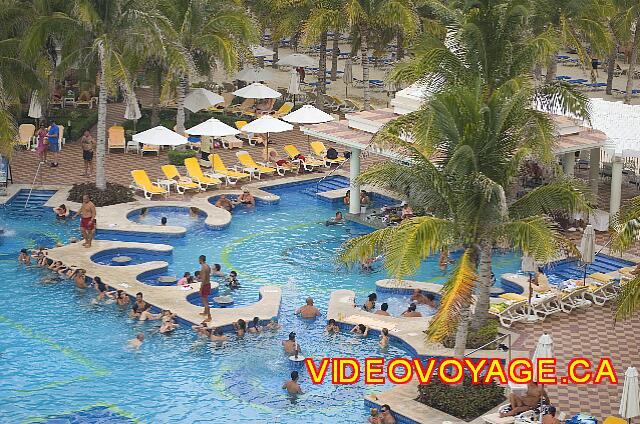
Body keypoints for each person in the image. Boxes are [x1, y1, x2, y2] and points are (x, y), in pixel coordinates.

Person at [198, 255, 212, 322]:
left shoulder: (203, 268)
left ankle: (209, 317)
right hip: (208, 284)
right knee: (205, 299)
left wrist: (201, 288)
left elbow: (203, 279)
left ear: (200, 260)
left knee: (205, 302)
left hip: (205, 285)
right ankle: (205, 312)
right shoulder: (208, 266)